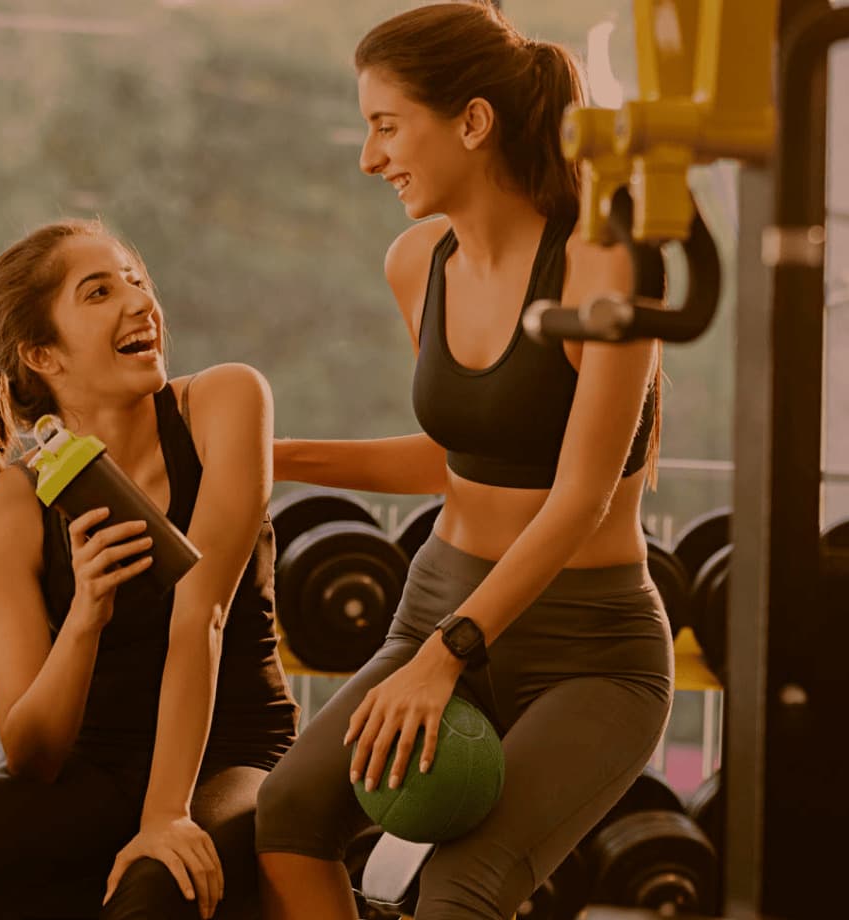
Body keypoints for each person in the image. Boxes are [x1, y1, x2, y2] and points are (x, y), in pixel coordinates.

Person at [254, 4, 674, 918]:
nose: (371, 159)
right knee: (286, 814)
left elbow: (577, 496)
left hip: (590, 648)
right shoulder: (418, 263)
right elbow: (462, 461)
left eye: (387, 126)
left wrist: (448, 655)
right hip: (438, 604)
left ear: (473, 123)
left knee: (462, 885)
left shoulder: (604, 267)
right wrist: (271, 458)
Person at [0, 219, 299, 919]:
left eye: (136, 279)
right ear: (43, 353)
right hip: (95, 762)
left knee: (161, 891)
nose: (139, 302)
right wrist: (85, 615)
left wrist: (166, 814)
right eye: (99, 292)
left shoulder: (227, 401)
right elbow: (34, 752)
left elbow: (201, 616)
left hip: (233, 746)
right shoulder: (13, 503)